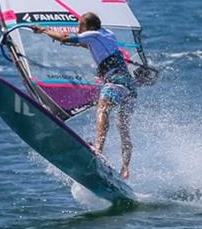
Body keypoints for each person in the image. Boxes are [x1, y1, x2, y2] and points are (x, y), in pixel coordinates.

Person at [31, 12, 137, 179]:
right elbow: (85, 44)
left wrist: (43, 30)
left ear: (88, 27)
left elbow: (66, 38)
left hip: (116, 80)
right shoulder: (106, 34)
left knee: (102, 108)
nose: (78, 29)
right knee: (122, 126)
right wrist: (65, 40)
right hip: (130, 86)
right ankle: (125, 169)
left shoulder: (92, 34)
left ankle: (98, 149)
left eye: (80, 25)